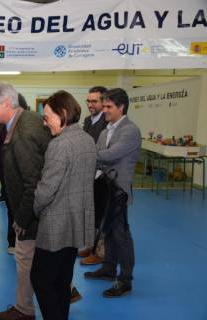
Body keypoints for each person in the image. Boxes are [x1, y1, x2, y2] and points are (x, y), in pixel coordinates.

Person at [0, 82, 51, 320]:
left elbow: (32, 183)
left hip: (33, 212)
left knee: (25, 258)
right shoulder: (25, 120)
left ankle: (24, 311)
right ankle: (65, 291)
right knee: (42, 259)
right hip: (38, 209)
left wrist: (21, 219)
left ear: (6, 103)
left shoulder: (23, 133)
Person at [30, 90, 96, 320]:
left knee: (40, 280)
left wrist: (36, 208)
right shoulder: (87, 140)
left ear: (64, 114)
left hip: (56, 225)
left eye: (47, 117)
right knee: (62, 281)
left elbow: (46, 190)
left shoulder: (59, 145)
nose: (45, 122)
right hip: (77, 222)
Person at [84, 88, 141, 298]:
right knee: (107, 230)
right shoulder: (105, 130)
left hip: (119, 191)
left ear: (121, 107)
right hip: (104, 189)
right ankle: (108, 269)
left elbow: (109, 155)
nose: (104, 110)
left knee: (121, 235)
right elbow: (100, 155)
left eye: (108, 107)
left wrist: (90, 155)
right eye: (104, 106)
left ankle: (125, 280)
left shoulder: (130, 131)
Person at [0, 93, 29, 254]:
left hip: (20, 176)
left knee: (20, 208)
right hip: (6, 175)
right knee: (11, 208)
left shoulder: (26, 126)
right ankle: (12, 241)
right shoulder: (2, 124)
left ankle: (20, 240)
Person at [79, 85, 109, 266]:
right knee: (90, 213)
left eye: (94, 101)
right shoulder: (88, 120)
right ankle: (90, 246)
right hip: (88, 174)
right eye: (88, 101)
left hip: (101, 176)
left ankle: (100, 252)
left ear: (103, 102)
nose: (90, 104)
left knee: (101, 213)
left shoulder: (107, 122)